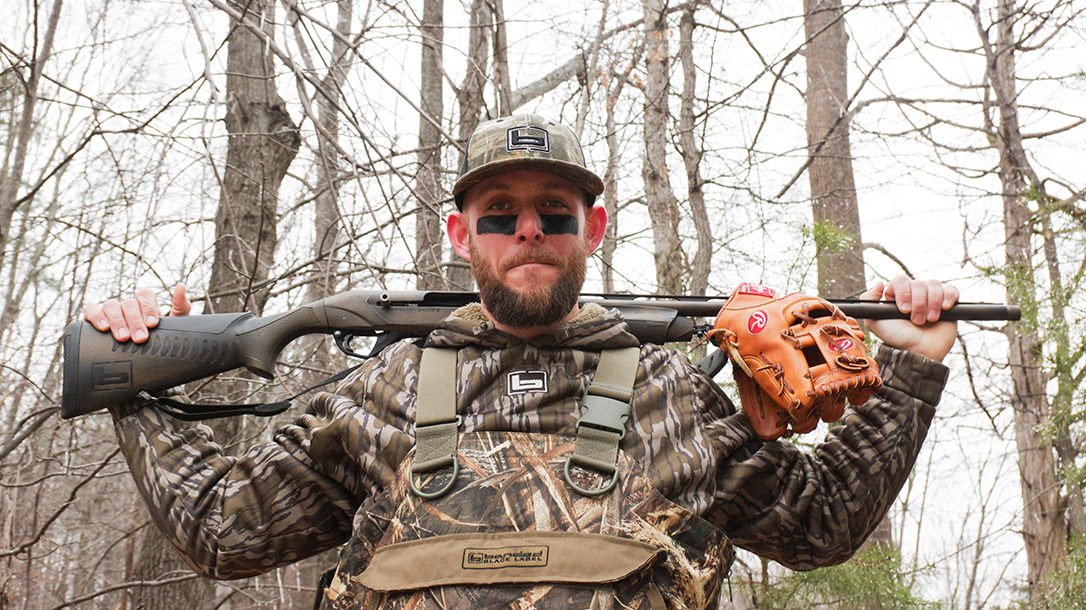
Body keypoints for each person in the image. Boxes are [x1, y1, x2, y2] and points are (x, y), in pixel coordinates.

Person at [84, 114, 959, 609]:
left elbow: (822, 525)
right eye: (499, 213)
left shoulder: (674, 396)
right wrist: (136, 377)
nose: (528, 230)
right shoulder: (381, 389)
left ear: (594, 230)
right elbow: (221, 532)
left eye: (555, 210)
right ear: (463, 236)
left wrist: (913, 368)